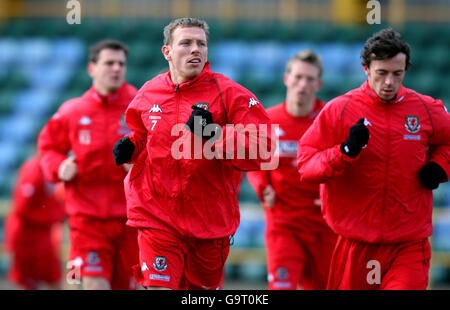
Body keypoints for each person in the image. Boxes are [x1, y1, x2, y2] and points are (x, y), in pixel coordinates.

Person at [112, 17, 274, 290]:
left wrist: (214, 133)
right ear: (167, 52)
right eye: (186, 43)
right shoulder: (149, 92)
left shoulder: (229, 93)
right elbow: (143, 133)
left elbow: (264, 149)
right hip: (157, 216)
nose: (195, 49)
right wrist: (132, 145)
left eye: (201, 43)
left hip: (209, 223)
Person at [297, 28, 450, 290]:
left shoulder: (425, 108)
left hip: (408, 245)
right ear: (366, 69)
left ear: (405, 70)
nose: (389, 82)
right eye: (382, 73)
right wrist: (344, 152)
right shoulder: (339, 109)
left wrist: (440, 165)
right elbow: (306, 165)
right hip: (355, 246)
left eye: (397, 73)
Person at [38, 39, 139, 290]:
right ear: (91, 68)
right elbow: (48, 147)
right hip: (87, 223)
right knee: (93, 285)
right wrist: (59, 166)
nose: (116, 68)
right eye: (109, 63)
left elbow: (161, 152)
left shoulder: (141, 106)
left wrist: (141, 164)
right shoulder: (73, 111)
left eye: (121, 64)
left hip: (133, 223)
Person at [247, 50, 337, 290]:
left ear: (319, 84)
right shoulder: (268, 119)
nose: (302, 84)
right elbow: (254, 163)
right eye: (298, 77)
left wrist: (335, 195)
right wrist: (262, 187)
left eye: (309, 79)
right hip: (283, 224)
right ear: (287, 79)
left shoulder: (330, 119)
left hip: (324, 227)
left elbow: (345, 163)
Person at [5, 154, 66, 290]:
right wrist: (54, 216)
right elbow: (21, 207)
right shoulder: (34, 170)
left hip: (43, 233)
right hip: (27, 236)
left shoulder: (55, 168)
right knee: (29, 282)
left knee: (54, 277)